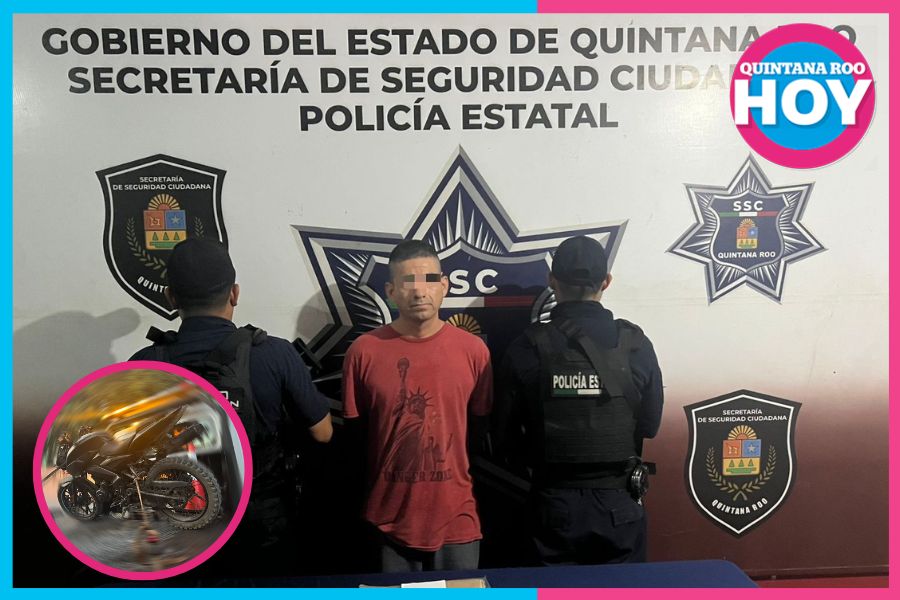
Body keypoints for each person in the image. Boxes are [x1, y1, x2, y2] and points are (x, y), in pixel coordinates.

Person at [130, 238, 332, 573]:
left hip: (182, 520)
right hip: (261, 519)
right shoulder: (274, 353)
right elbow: (323, 433)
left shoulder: (144, 363)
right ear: (234, 294)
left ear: (170, 298)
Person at [493, 235, 663, 565]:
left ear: (552, 280)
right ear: (606, 281)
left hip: (554, 506)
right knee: (622, 591)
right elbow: (649, 425)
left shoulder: (528, 346)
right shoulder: (636, 345)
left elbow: (504, 440)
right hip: (620, 505)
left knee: (553, 590)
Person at [342, 239, 493, 573]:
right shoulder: (363, 352)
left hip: (457, 521)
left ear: (444, 286)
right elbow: (356, 440)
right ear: (391, 291)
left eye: (429, 280)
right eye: (408, 282)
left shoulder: (474, 352)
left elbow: (478, 433)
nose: (419, 291)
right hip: (387, 523)